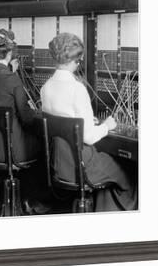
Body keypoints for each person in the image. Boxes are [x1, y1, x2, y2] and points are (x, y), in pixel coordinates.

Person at [40, 32, 137, 211]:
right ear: (77, 61)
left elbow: (63, 119)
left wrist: (84, 123)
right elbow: (90, 138)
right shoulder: (77, 89)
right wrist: (107, 126)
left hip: (59, 165)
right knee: (130, 171)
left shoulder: (46, 88)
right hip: (83, 164)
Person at [0, 29, 47, 214]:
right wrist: (38, 112)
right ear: (9, 53)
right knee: (43, 147)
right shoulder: (12, 79)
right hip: (12, 149)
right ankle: (30, 202)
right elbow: (25, 118)